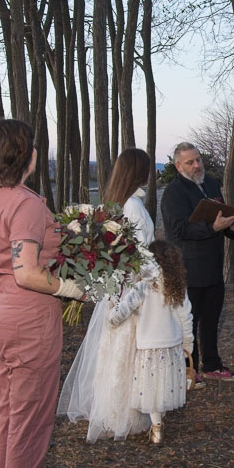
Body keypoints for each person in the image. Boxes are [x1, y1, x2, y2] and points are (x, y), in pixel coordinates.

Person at [0, 119, 80, 468]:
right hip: (28, 319)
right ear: (28, 155)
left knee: (10, 411)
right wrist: (75, 288)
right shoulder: (26, 203)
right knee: (30, 418)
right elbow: (28, 272)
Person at [58, 147, 157, 443]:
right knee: (127, 349)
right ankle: (123, 411)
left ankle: (112, 408)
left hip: (118, 286)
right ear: (140, 172)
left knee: (114, 347)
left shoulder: (116, 205)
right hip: (131, 287)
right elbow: (138, 254)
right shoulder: (134, 207)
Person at [160, 142, 234, 383]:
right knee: (188, 321)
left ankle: (212, 365)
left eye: (198, 160)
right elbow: (177, 230)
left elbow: (222, 217)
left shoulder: (211, 184)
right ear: (178, 166)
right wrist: (212, 227)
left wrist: (231, 227)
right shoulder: (174, 193)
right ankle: (189, 369)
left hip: (213, 265)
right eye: (190, 162)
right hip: (188, 267)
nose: (197, 165)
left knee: (212, 318)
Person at [105, 240, 194, 446]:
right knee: (163, 386)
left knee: (151, 388)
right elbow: (186, 316)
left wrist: (111, 317)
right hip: (171, 346)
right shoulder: (176, 286)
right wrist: (188, 344)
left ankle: (156, 428)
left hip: (148, 347)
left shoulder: (142, 286)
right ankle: (159, 420)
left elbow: (124, 309)